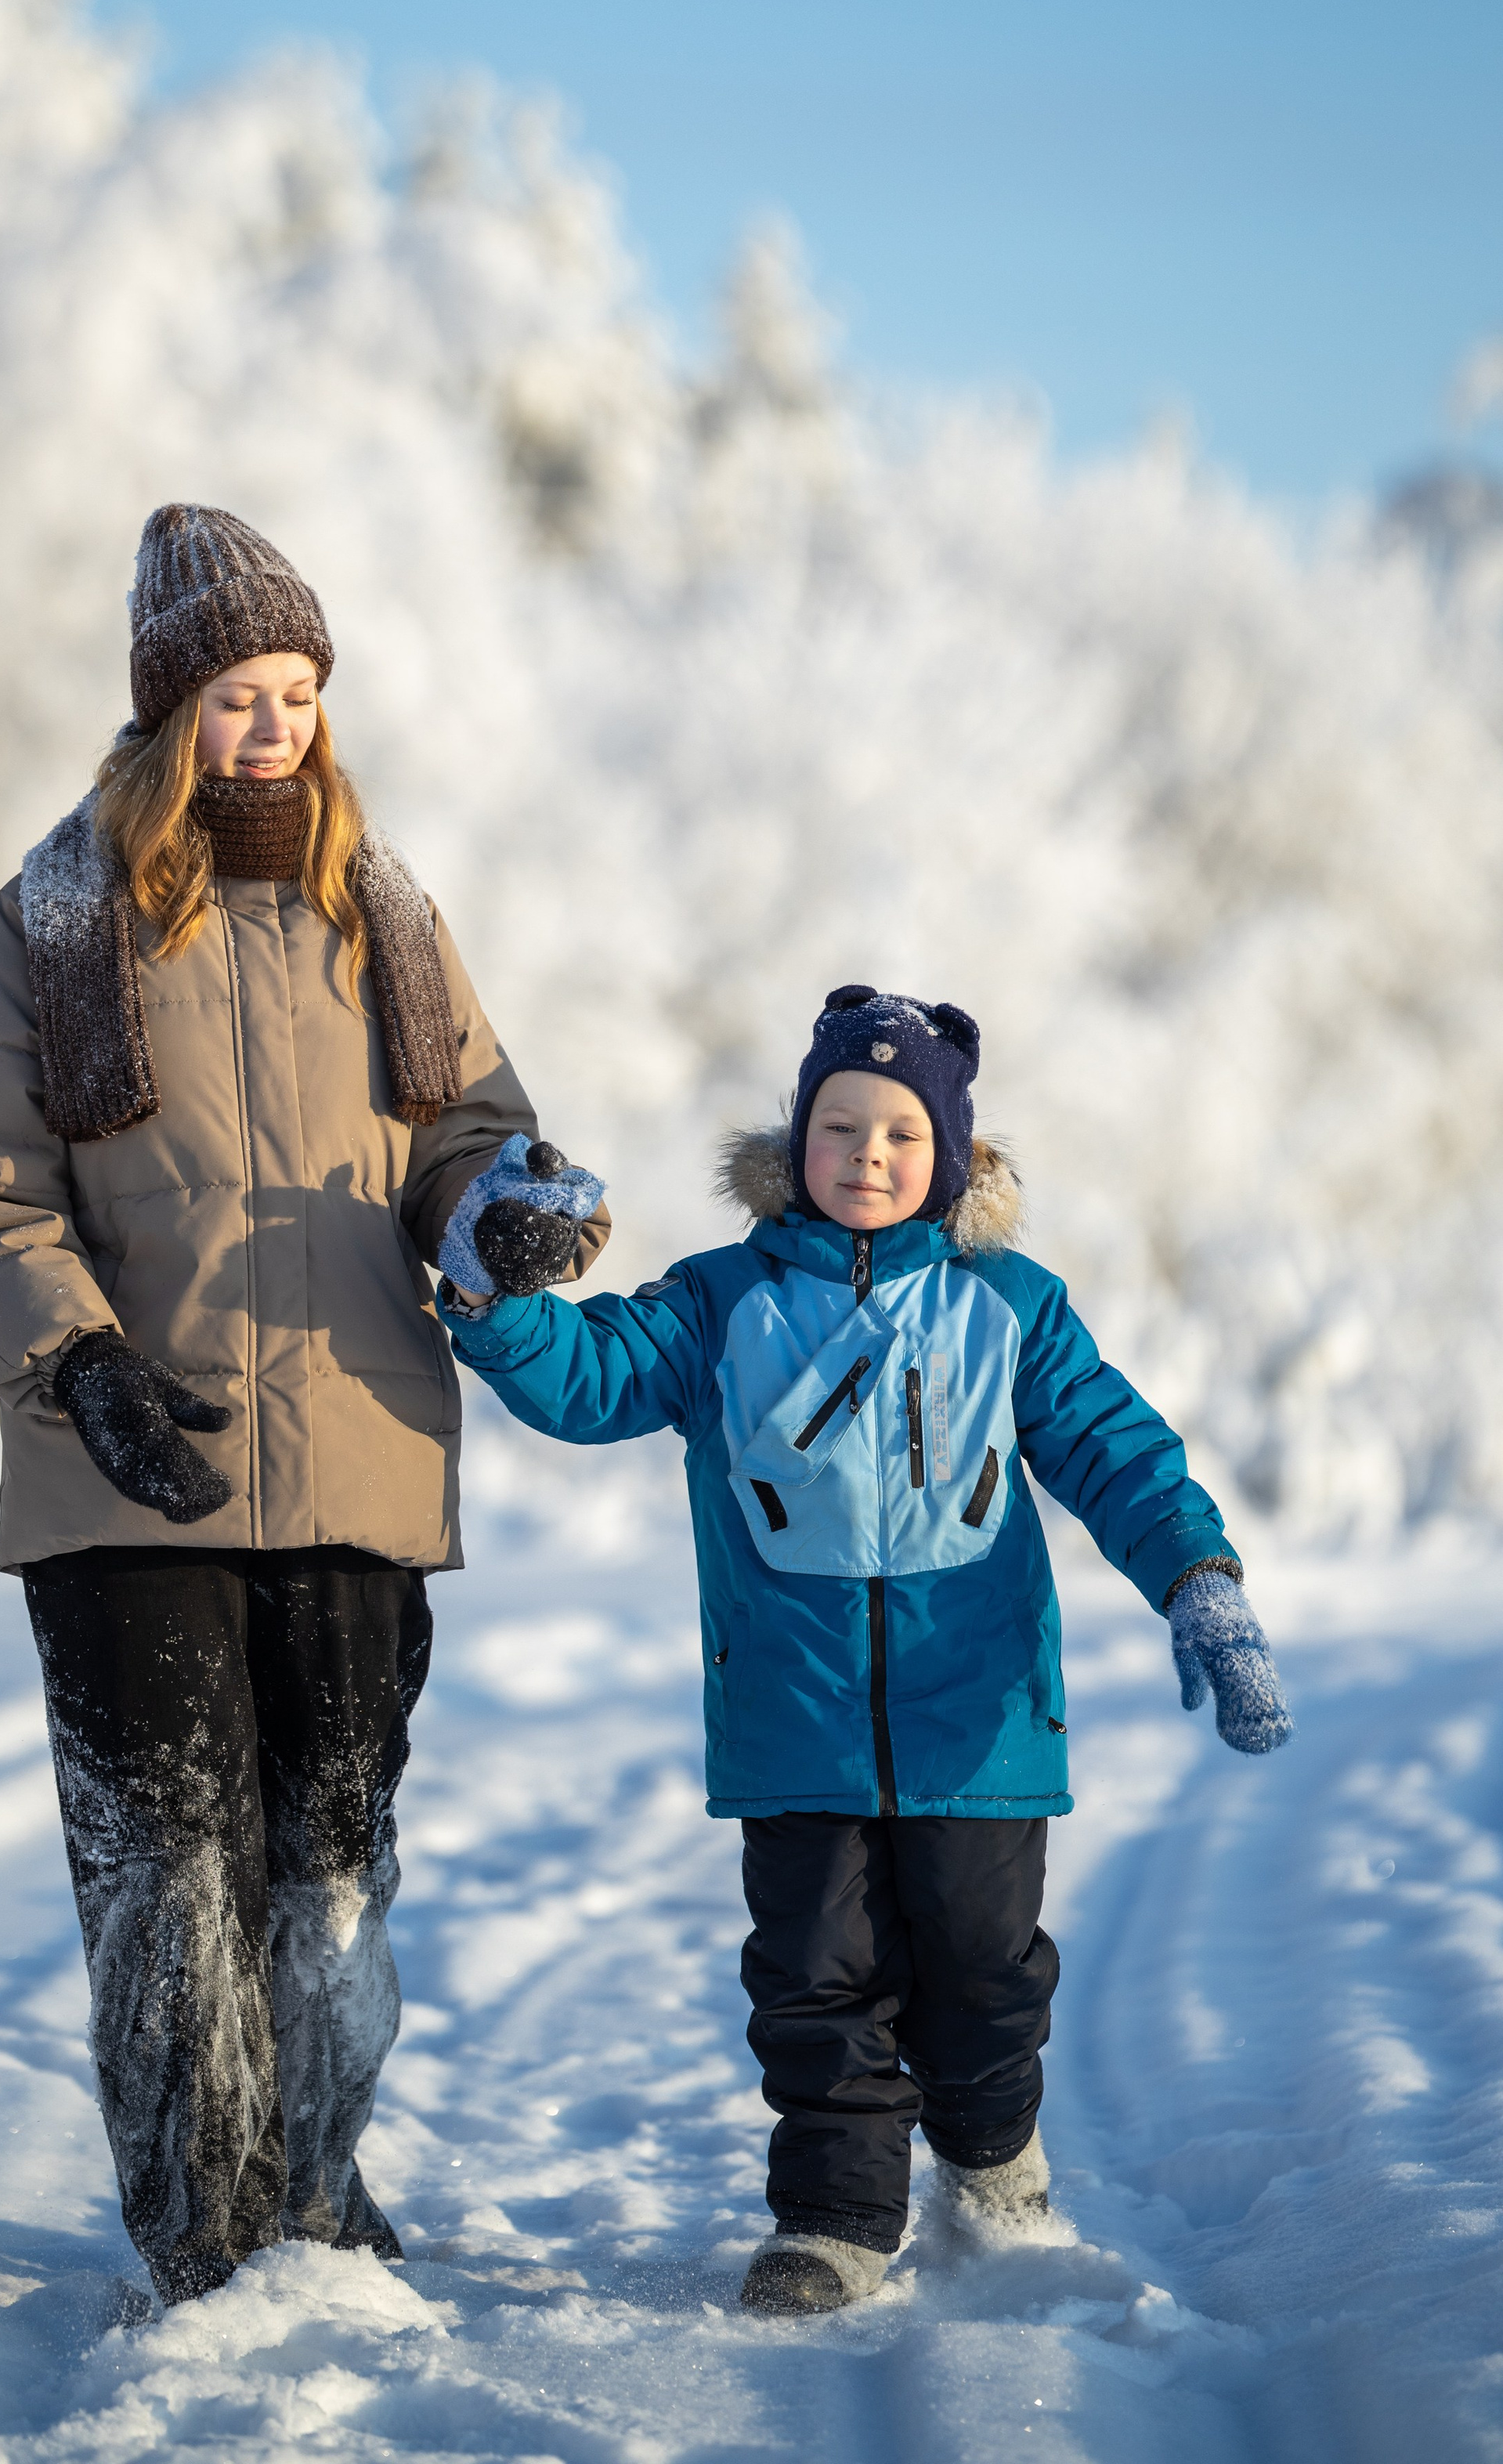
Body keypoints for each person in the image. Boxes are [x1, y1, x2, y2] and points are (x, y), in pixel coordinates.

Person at [0, 504, 609, 2306]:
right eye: (235, 692)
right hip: (133, 1470)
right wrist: (76, 1364)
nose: (272, 724)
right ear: (166, 710)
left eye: (296, 689)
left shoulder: (384, 909)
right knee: (170, 1872)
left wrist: (500, 1208)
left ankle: (312, 2186)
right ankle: (205, 2234)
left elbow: (460, 1135)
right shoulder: (58, 917)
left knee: (335, 1870)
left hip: (361, 1456)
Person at [435, 983, 1292, 2318]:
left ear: (948, 1154)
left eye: (900, 1132)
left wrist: (1200, 1580)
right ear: (797, 1143)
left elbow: (1116, 1451)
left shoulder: (1009, 1306)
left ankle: (996, 2157)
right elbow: (591, 1378)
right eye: (840, 1127)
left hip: (980, 1726)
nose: (868, 1155)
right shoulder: (721, 1304)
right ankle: (833, 2216)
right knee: (815, 1981)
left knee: (986, 1970)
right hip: (794, 1718)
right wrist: (495, 1295)